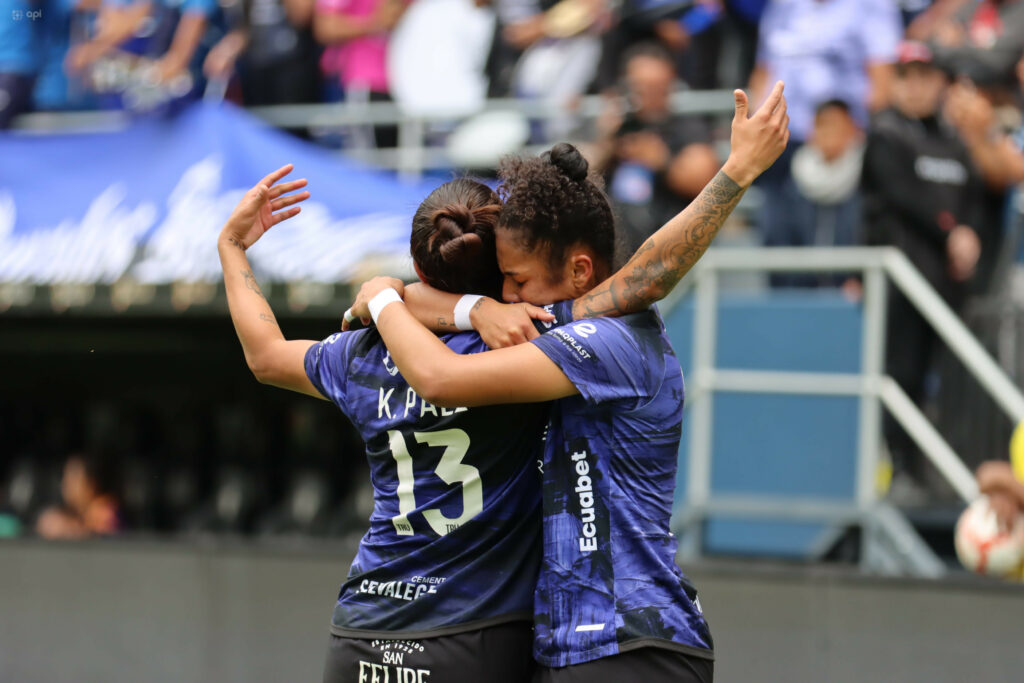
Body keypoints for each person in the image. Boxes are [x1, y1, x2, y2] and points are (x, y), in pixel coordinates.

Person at [345, 84, 789, 681]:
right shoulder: (560, 324)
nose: (509, 297)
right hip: (575, 648)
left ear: (579, 270)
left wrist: (382, 297)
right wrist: (465, 308)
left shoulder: (607, 342)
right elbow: (436, 299)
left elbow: (442, 377)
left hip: (634, 643)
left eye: (518, 281)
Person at [217, 171, 556, 682]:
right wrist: (474, 307)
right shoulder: (521, 346)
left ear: (418, 265)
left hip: (363, 628)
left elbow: (264, 356)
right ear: (503, 265)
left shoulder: (361, 352)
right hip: (474, 631)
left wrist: (233, 245)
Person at [861, 41, 983, 501]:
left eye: (925, 77)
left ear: (941, 84)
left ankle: (929, 471)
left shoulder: (955, 143)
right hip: (899, 286)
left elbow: (972, 201)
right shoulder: (886, 134)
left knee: (942, 382)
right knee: (900, 374)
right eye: (906, 77)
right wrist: (952, 231)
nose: (915, 87)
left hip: (947, 285)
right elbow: (899, 194)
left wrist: (967, 232)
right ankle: (897, 473)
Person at [593, 41, 720, 258]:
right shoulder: (612, 125)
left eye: (656, 87)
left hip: (668, 249)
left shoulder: (686, 126)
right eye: (640, 86)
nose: (648, 94)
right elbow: (578, 171)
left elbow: (707, 180)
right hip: (611, 246)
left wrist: (661, 160)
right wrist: (607, 142)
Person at [773, 98, 864, 287]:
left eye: (836, 125)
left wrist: (859, 278)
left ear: (853, 130)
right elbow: (782, 239)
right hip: (802, 295)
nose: (829, 134)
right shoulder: (793, 184)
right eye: (822, 126)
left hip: (854, 292)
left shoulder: (869, 178)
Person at [35, 453, 121, 539]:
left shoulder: (105, 512)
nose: (66, 484)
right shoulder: (73, 512)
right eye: (65, 477)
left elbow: (101, 541)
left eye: (73, 478)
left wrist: (70, 529)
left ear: (91, 484)